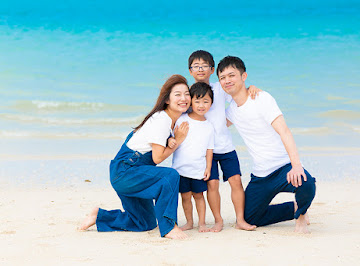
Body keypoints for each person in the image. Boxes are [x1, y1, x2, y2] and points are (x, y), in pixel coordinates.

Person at [78, 74, 192, 239]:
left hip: (129, 171)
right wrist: (178, 141)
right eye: (178, 94)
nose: (184, 98)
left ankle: (99, 216)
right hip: (126, 172)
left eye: (187, 93)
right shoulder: (161, 119)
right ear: (167, 99)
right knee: (170, 176)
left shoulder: (168, 120)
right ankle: (169, 227)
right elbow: (157, 159)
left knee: (144, 223)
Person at [217, 56, 316, 233]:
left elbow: (284, 131)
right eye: (222, 77)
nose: (227, 80)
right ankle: (293, 208)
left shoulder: (262, 98)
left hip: (283, 167)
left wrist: (296, 166)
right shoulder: (231, 109)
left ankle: (301, 216)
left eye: (231, 75)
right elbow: (214, 125)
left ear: (244, 76)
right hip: (261, 174)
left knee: (306, 183)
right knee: (250, 218)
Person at [187, 50, 257, 232]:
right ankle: (218, 220)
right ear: (190, 71)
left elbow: (239, 95)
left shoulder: (219, 87)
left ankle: (240, 219)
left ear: (212, 69)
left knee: (236, 180)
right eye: (196, 66)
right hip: (204, 150)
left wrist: (252, 88)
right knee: (212, 184)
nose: (200, 69)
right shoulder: (189, 94)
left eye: (204, 66)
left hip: (225, 147)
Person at [168, 82, 214, 233]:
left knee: (199, 196)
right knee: (185, 197)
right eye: (197, 101)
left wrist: (208, 167)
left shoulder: (209, 126)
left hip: (198, 170)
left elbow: (209, 149)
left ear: (211, 103)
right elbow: (171, 136)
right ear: (191, 102)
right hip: (180, 169)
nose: (201, 105)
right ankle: (189, 222)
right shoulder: (182, 119)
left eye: (206, 101)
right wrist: (170, 140)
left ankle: (202, 223)